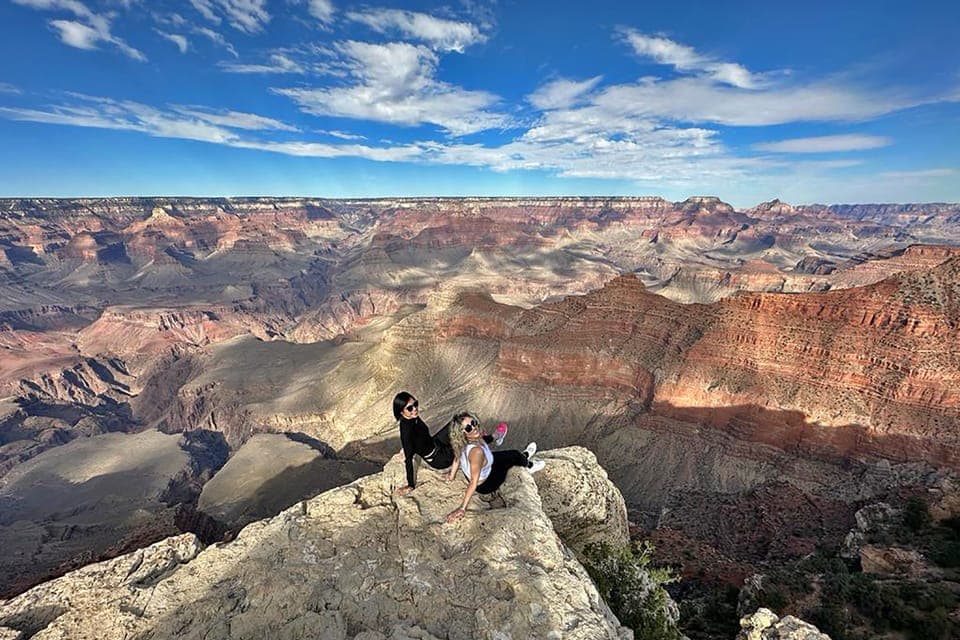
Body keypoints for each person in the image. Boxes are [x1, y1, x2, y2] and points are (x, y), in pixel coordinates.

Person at [392, 392, 505, 496]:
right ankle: (494, 437)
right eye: (410, 408)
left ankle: (479, 434)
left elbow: (421, 437)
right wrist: (410, 485)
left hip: (435, 442)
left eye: (415, 404)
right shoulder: (406, 432)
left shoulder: (413, 416)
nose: (415, 409)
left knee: (457, 422)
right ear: (401, 412)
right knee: (464, 440)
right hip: (438, 458)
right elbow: (408, 460)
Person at [444, 411, 544, 523]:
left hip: (484, 466)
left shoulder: (463, 443)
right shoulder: (476, 452)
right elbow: (473, 481)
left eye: (473, 422)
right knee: (513, 455)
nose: (474, 427)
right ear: (462, 433)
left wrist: (451, 475)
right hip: (487, 484)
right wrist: (462, 508)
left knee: (505, 452)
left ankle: (514, 449)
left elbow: (457, 458)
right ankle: (529, 465)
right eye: (468, 428)